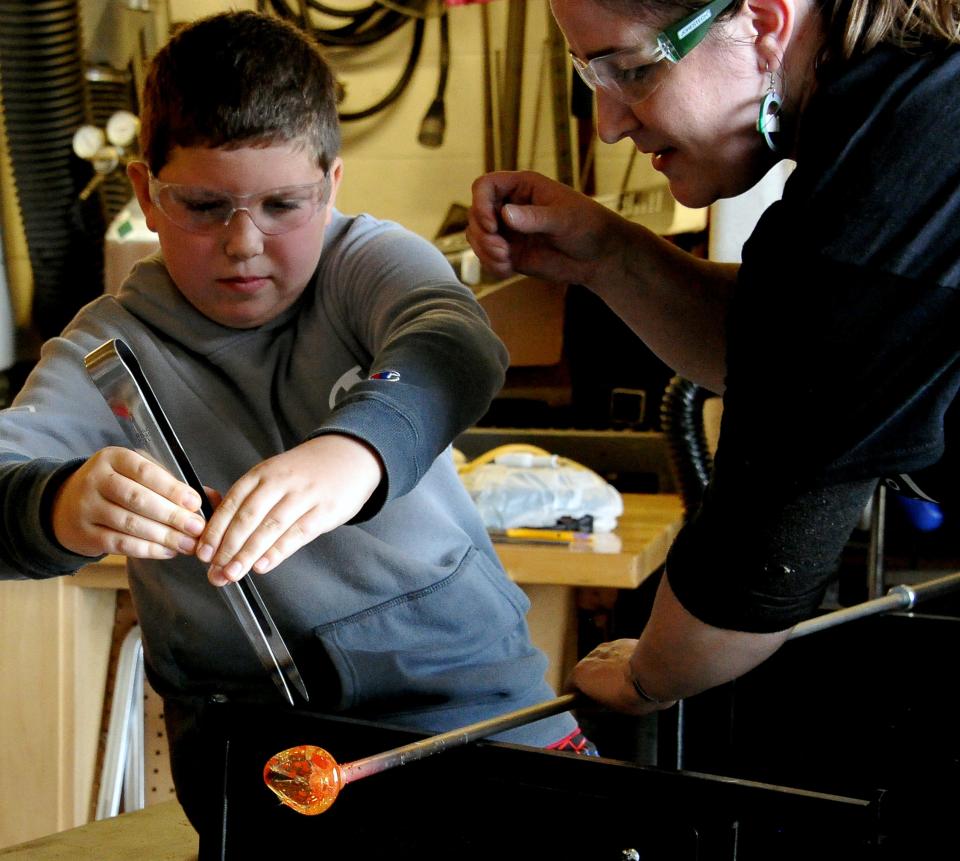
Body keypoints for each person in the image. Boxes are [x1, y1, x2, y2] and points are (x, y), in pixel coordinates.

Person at [0, 10, 587, 833]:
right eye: (203, 207)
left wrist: (352, 453)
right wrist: (60, 504)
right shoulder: (106, 353)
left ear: (332, 186)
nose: (245, 243)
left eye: (284, 204)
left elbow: (452, 338)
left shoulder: (365, 263)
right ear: (145, 193)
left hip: (472, 716)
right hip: (255, 759)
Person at [468, 0, 960, 715]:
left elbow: (755, 571)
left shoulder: (897, 165)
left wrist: (648, 674)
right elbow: (793, 350)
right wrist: (608, 256)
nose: (608, 124)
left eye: (633, 70)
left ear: (762, 24)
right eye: (589, 76)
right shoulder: (896, 110)